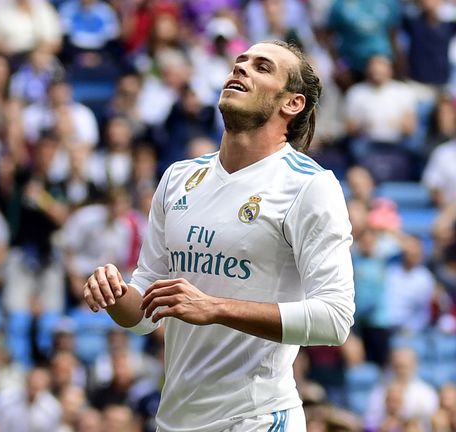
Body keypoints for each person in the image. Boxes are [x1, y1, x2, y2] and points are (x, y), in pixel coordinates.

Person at [82, 41, 355, 431]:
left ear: (291, 104)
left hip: (257, 419)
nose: (240, 69)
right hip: (175, 420)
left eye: (261, 67)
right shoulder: (178, 177)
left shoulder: (309, 186)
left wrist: (215, 308)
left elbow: (335, 319)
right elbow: (145, 314)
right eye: (239, 62)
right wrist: (116, 293)